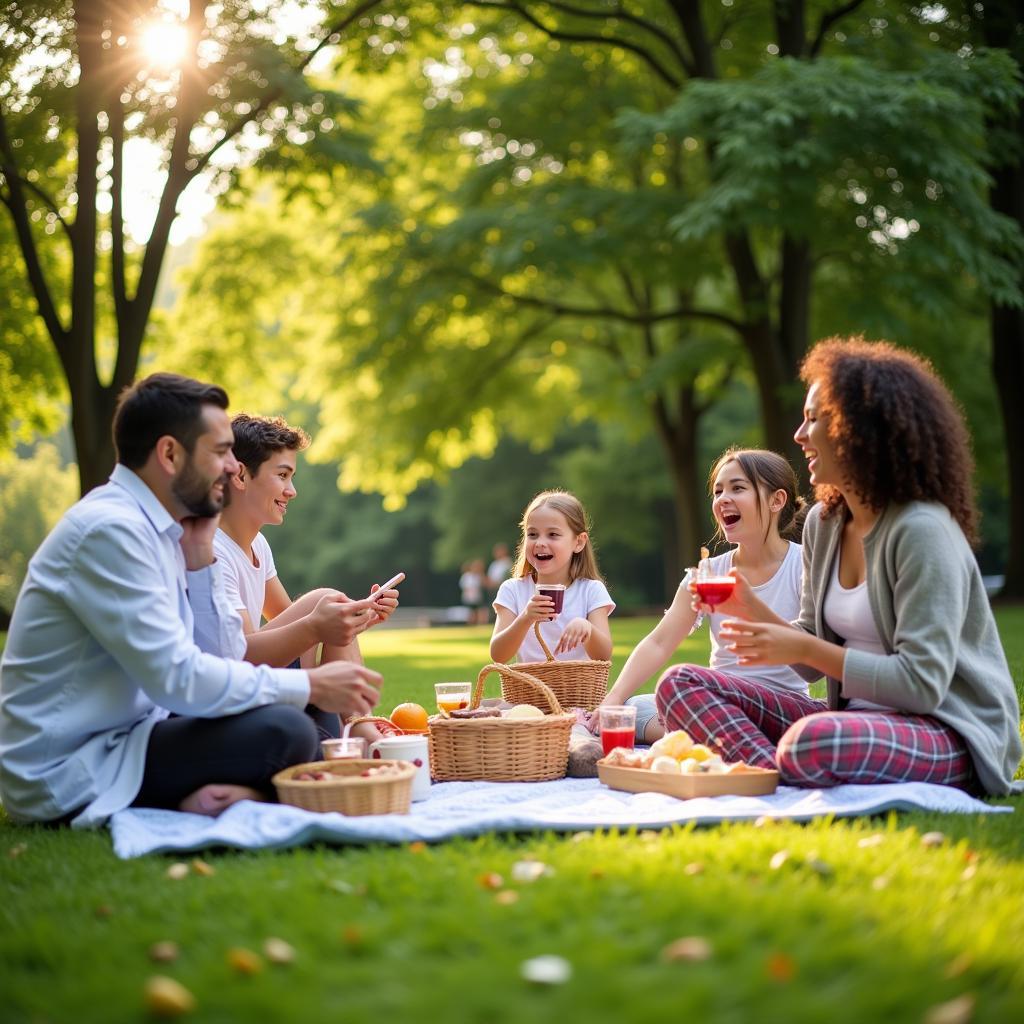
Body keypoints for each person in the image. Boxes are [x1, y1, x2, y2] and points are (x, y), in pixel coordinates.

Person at [0, 373, 383, 828]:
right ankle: (247, 792)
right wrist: (310, 686)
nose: (230, 467)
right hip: (68, 771)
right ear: (169, 454)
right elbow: (177, 678)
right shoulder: (111, 532)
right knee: (288, 730)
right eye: (220, 452)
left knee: (286, 727)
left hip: (133, 738)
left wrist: (200, 559)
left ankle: (238, 793)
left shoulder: (168, 531)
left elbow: (224, 656)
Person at [657, 338, 1023, 794]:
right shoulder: (824, 523)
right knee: (680, 684)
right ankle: (772, 778)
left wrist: (805, 650)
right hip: (852, 721)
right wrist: (750, 606)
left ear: (862, 428)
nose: (798, 434)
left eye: (815, 419)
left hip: (946, 730)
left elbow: (921, 685)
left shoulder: (922, 529)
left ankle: (772, 774)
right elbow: (810, 660)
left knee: (810, 743)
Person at [587, 448, 808, 744]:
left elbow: (813, 652)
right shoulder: (708, 573)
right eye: (718, 492)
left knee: (677, 685)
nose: (722, 499)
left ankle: (709, 737)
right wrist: (612, 698)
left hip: (783, 707)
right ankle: (730, 737)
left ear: (776, 500)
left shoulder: (803, 566)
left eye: (737, 488)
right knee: (632, 706)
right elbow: (659, 642)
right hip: (717, 702)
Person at [214, 413, 399, 741]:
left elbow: (292, 627)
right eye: (282, 476)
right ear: (240, 475)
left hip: (270, 688)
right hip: (233, 698)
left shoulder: (257, 544)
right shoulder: (214, 552)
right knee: (324, 600)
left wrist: (353, 620)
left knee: (328, 604)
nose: (292, 491)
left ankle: (359, 729)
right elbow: (241, 655)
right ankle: (364, 733)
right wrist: (325, 619)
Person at [490, 490, 614, 664]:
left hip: (579, 689)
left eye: (553, 534)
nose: (540, 542)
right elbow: (498, 655)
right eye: (532, 534)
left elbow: (603, 655)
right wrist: (526, 618)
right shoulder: (512, 590)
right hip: (529, 689)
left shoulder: (591, 590)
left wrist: (588, 629)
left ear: (578, 542)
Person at [459, 558, 488, 625]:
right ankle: (471, 624)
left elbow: (484, 584)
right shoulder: (466, 576)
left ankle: (479, 624)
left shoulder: (478, 576)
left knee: (479, 612)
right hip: (469, 598)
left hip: (477, 597)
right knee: (471, 613)